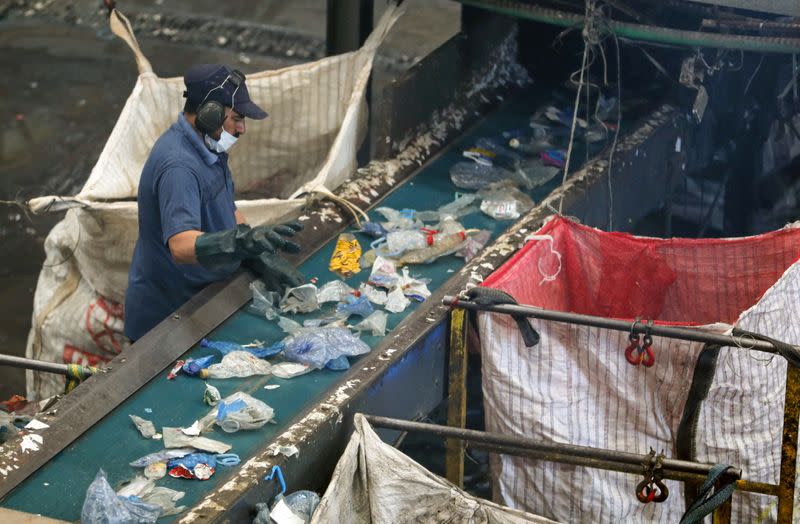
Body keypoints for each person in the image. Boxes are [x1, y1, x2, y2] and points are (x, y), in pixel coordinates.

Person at [124, 64, 303, 341]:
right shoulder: (179, 168)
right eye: (237, 118)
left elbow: (227, 209)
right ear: (210, 113)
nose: (242, 129)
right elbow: (181, 246)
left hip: (202, 298)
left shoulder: (210, 147)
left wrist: (258, 252)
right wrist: (240, 243)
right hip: (168, 320)